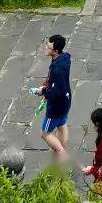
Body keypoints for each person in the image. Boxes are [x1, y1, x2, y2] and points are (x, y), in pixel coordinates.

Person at [34, 33, 72, 163]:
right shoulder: (64, 58)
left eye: (48, 47)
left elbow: (56, 92)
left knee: (45, 133)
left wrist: (43, 90)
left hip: (56, 107)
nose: (46, 48)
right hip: (66, 102)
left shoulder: (57, 69)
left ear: (55, 51)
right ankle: (62, 152)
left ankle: (61, 153)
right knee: (62, 125)